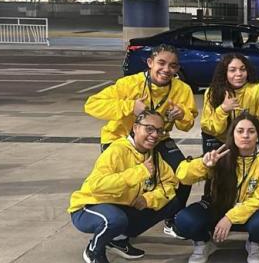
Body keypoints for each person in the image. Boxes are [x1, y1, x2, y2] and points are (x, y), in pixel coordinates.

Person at [68, 110, 208, 263]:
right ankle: (94, 250)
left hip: (121, 206)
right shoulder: (117, 150)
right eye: (149, 129)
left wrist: (148, 199)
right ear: (135, 127)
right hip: (89, 207)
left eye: (159, 131)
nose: (154, 135)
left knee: (172, 202)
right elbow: (97, 185)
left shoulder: (153, 155)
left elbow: (170, 183)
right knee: (115, 219)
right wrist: (139, 172)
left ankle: (117, 240)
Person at [84, 44, 197, 237]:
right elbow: (92, 105)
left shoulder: (182, 89)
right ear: (150, 63)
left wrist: (182, 114)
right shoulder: (129, 84)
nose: (166, 69)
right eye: (161, 63)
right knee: (126, 183)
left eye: (173, 66)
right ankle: (117, 230)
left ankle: (172, 218)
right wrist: (129, 106)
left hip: (157, 138)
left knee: (184, 173)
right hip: (121, 139)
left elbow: (187, 124)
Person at [175, 112, 259, 263]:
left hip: (248, 209)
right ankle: (203, 243)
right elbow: (183, 176)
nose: (246, 136)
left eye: (251, 131)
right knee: (183, 220)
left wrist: (230, 217)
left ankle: (254, 244)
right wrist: (203, 164)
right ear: (232, 134)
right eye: (240, 131)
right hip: (217, 206)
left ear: (258, 135)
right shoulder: (219, 153)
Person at [200, 53, 259, 154]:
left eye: (242, 69)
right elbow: (208, 127)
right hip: (218, 139)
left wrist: (258, 141)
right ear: (224, 73)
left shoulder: (257, 89)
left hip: (244, 139)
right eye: (232, 70)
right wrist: (223, 110)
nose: (239, 74)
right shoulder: (212, 92)